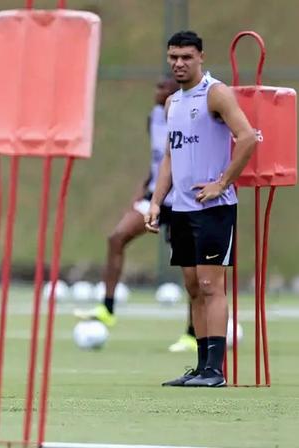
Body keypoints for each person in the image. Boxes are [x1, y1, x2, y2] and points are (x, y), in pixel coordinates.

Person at [146, 31, 257, 387]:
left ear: (201, 58)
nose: (179, 63)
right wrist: (156, 200)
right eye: (174, 57)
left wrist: (222, 182)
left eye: (186, 57)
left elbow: (248, 137)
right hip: (180, 209)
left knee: (211, 285)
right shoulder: (172, 103)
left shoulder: (216, 93)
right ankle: (199, 367)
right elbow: (169, 158)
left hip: (214, 207)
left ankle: (215, 370)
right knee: (193, 286)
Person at [74, 77, 198, 353]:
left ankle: (192, 333)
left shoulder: (189, 118)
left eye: (162, 89)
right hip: (154, 196)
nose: (157, 93)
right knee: (116, 237)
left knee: (191, 271)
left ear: (174, 93)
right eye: (156, 88)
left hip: (181, 201)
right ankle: (107, 308)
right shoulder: (153, 118)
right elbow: (158, 162)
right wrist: (141, 191)